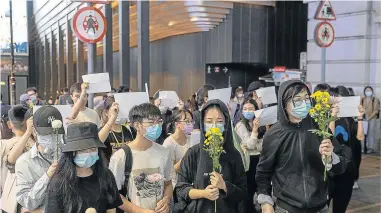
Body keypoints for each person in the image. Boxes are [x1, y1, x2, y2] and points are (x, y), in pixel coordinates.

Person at [256, 80, 349, 213]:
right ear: (284, 104)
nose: (305, 104)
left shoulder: (319, 127)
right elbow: (263, 172)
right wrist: (265, 201)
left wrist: (331, 158)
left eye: (307, 99)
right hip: (287, 207)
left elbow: (341, 165)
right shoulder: (274, 134)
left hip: (320, 207)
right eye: (298, 100)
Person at [174, 99, 247, 213]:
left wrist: (224, 186)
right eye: (209, 121)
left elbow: (243, 191)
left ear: (226, 123)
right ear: (202, 123)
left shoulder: (233, 154)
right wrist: (203, 193)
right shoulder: (193, 153)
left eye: (219, 121)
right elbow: (180, 189)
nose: (214, 126)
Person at [109, 103, 174, 213]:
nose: (157, 126)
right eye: (151, 122)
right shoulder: (121, 157)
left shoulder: (164, 152)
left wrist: (166, 200)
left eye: (159, 121)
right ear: (137, 125)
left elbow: (168, 183)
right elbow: (114, 194)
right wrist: (139, 211)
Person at [45, 122, 123, 213]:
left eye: (93, 149)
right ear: (71, 153)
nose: (89, 153)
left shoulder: (106, 176)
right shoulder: (59, 183)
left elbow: (111, 209)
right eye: (82, 150)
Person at [15, 106, 65, 212]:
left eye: (55, 133)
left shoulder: (69, 155)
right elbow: (27, 202)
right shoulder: (25, 162)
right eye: (46, 134)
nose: (52, 137)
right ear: (34, 131)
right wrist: (47, 177)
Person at [328, 86, 365, 213]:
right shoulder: (327, 117)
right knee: (322, 207)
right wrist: (333, 115)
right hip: (330, 170)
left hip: (347, 169)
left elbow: (359, 136)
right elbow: (329, 136)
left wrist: (360, 117)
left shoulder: (350, 119)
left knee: (340, 209)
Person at [1, 107, 35, 213]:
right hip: (32, 199)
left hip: (9, 200)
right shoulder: (37, 144)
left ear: (9, 124)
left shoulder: (3, 144)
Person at [234, 98, 265, 213]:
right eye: (245, 109)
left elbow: (263, 145)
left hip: (260, 159)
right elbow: (250, 145)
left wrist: (255, 139)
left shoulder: (260, 123)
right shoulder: (240, 125)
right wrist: (255, 131)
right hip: (248, 161)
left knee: (262, 189)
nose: (248, 111)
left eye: (251, 109)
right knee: (249, 191)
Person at [98, 96, 136, 161]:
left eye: (120, 110)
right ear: (106, 112)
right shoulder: (103, 130)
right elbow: (99, 141)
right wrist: (113, 117)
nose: (117, 114)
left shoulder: (128, 130)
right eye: (115, 110)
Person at [162, 109, 193, 187]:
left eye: (191, 121)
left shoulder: (191, 138)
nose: (190, 124)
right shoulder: (169, 144)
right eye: (187, 121)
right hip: (176, 185)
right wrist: (187, 157)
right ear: (177, 124)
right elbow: (170, 171)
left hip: (191, 181)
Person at [361, 86, 380, 154]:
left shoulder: (375, 99)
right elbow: (360, 108)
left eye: (369, 90)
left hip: (372, 119)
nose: (368, 92)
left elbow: (376, 111)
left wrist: (369, 118)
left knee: (371, 134)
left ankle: (370, 148)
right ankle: (363, 147)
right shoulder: (363, 99)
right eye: (367, 90)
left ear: (372, 92)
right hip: (364, 119)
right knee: (362, 133)